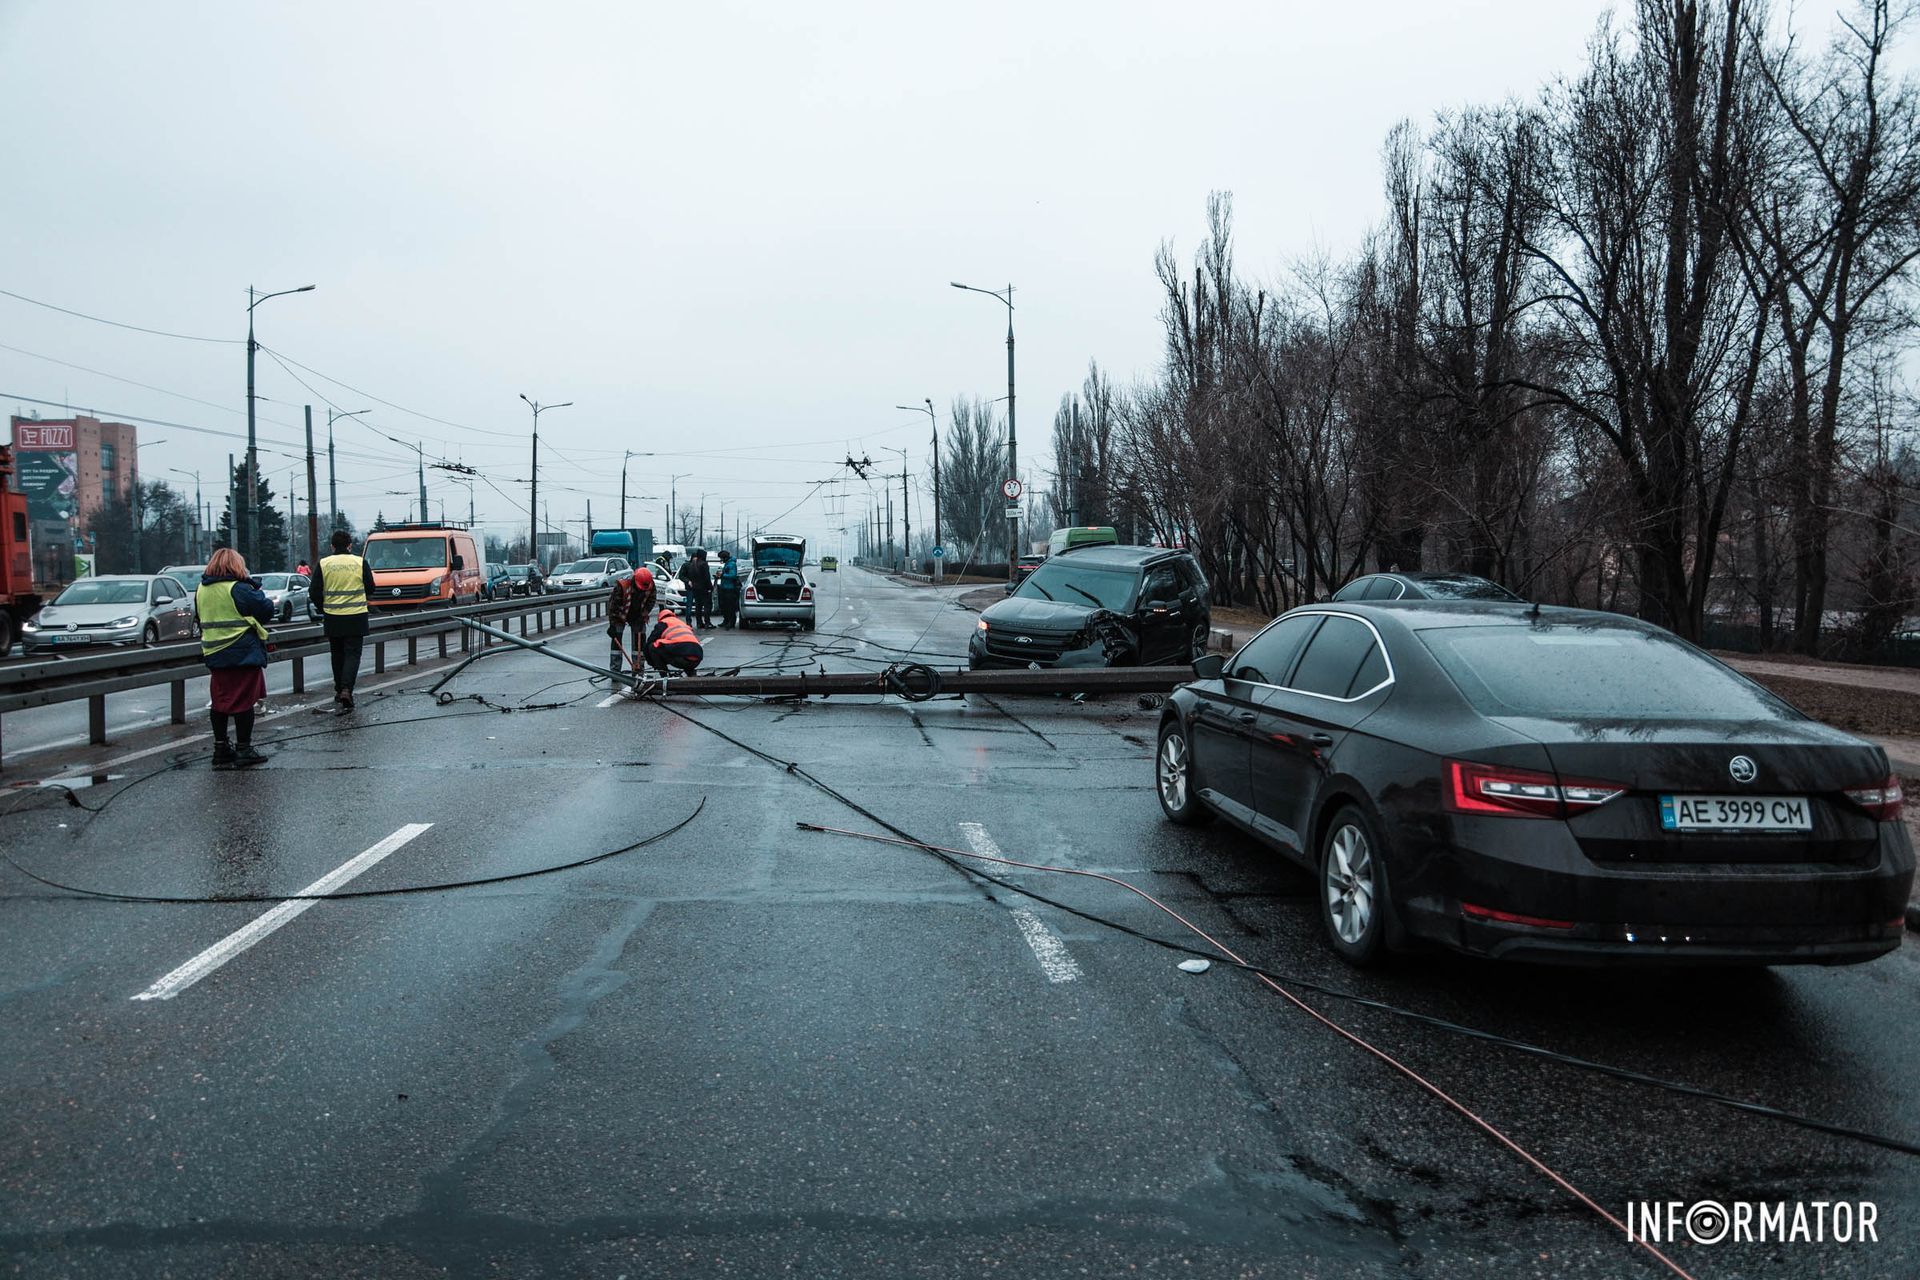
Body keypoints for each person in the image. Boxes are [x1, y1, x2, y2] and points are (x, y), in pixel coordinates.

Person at [196, 547, 276, 768]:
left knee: (220, 702)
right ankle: (244, 748)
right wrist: (253, 586)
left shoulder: (202, 590)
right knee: (243, 702)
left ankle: (221, 748)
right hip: (241, 650)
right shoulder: (238, 589)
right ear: (236, 566)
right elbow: (265, 609)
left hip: (214, 652)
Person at [312, 530, 375, 711]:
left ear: (332, 546)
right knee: (353, 655)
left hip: (333, 617)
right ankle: (347, 689)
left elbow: (314, 591)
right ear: (349, 546)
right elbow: (371, 587)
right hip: (356, 616)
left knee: (337, 655)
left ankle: (339, 690)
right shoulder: (359, 562)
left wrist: (323, 607)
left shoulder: (324, 564)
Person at [607, 563, 656, 672]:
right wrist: (612, 625)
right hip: (620, 614)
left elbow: (651, 600)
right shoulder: (623, 585)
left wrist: (644, 613)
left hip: (638, 615)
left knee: (640, 642)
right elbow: (613, 606)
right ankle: (615, 670)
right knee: (616, 640)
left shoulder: (649, 584)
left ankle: (638, 667)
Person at [644, 605, 703, 675]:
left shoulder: (663, 623)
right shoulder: (682, 623)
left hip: (682, 659)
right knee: (683, 649)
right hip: (697, 658)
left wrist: (652, 662)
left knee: (653, 646)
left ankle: (664, 675)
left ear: (660, 618)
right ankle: (691, 674)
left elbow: (649, 642)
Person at [683, 549, 713, 629]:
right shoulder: (703, 564)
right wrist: (710, 587)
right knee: (707, 606)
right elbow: (707, 577)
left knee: (698, 606)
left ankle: (699, 623)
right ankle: (707, 622)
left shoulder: (692, 564)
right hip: (704, 588)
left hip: (695, 588)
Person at [715, 549, 741, 629]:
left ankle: (731, 622)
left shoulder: (732, 564)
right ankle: (726, 620)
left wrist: (722, 575)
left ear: (725, 557)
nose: (721, 560)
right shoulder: (728, 564)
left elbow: (732, 575)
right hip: (724, 587)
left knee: (730, 606)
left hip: (730, 588)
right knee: (724, 606)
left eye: (721, 558)